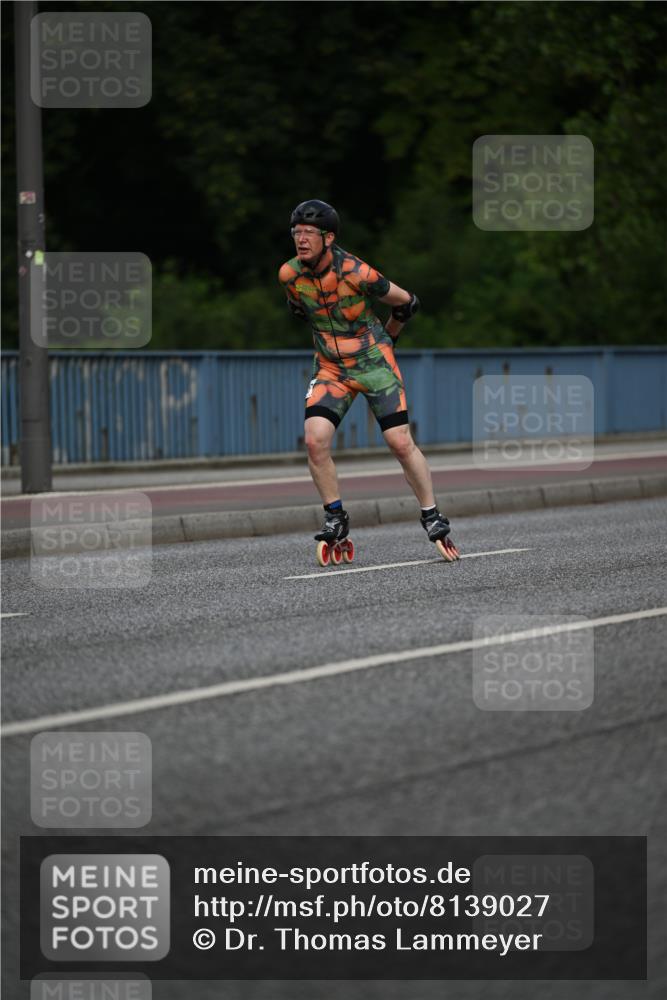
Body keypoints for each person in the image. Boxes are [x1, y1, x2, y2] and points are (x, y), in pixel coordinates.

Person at [279, 199, 459, 560]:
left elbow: (407, 302)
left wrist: (388, 338)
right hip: (331, 369)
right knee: (315, 441)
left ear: (329, 237)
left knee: (398, 441)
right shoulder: (289, 275)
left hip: (373, 364)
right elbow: (300, 311)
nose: (301, 239)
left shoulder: (357, 272)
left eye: (309, 232)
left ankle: (432, 515)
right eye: (296, 232)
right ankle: (335, 518)